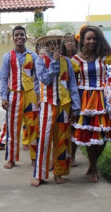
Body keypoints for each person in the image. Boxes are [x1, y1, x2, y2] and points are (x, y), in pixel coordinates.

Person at [71, 25, 111, 183]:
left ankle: (93, 164)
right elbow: (73, 81)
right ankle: (94, 169)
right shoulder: (75, 59)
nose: (92, 41)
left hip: (104, 98)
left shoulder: (105, 56)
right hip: (84, 99)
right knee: (89, 134)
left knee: (104, 135)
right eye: (88, 38)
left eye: (95, 38)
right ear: (82, 40)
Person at [31, 30, 80, 187]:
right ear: (47, 44)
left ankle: (59, 173)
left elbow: (72, 85)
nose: (56, 45)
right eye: (52, 42)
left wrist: (76, 107)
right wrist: (54, 62)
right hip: (47, 105)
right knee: (44, 139)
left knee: (62, 140)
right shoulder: (41, 61)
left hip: (64, 106)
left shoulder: (67, 62)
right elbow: (44, 79)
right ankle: (40, 174)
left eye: (59, 42)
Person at [0, 25, 40, 169]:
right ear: (13, 38)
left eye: (21, 34)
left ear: (25, 37)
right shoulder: (7, 57)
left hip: (31, 95)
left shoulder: (33, 56)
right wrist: (4, 97)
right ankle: (11, 158)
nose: (19, 37)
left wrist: (38, 94)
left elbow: (37, 77)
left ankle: (35, 157)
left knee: (33, 127)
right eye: (16, 35)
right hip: (14, 95)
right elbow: (4, 78)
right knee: (13, 128)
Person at [61, 33, 79, 167]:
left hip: (78, 92)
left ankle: (72, 155)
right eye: (66, 41)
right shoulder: (59, 58)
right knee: (61, 127)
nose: (69, 43)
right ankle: (59, 156)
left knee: (74, 126)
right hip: (62, 95)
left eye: (71, 41)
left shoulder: (78, 57)